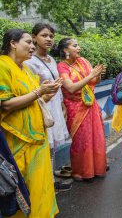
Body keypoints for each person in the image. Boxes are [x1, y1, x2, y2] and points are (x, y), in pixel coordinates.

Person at [0, 29, 61, 217]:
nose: (33, 46)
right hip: (16, 140)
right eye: (28, 42)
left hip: (37, 137)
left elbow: (33, 100)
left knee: (40, 187)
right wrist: (38, 93)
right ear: (13, 43)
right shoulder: (3, 66)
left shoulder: (25, 69)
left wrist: (47, 95)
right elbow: (6, 104)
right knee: (21, 187)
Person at [24, 23, 71, 191]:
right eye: (44, 35)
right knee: (44, 144)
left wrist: (61, 104)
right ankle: (43, 182)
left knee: (52, 145)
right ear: (34, 37)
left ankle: (50, 179)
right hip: (41, 105)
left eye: (51, 36)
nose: (49, 39)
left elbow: (57, 84)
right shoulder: (29, 61)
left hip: (55, 106)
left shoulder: (51, 59)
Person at [56, 38, 107, 181]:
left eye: (78, 45)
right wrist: (91, 75)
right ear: (66, 50)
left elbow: (94, 82)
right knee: (81, 140)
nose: (79, 48)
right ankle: (81, 171)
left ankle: (97, 168)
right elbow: (70, 88)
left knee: (96, 137)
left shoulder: (84, 61)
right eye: (75, 45)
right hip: (75, 107)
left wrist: (97, 76)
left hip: (90, 104)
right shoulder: (62, 66)